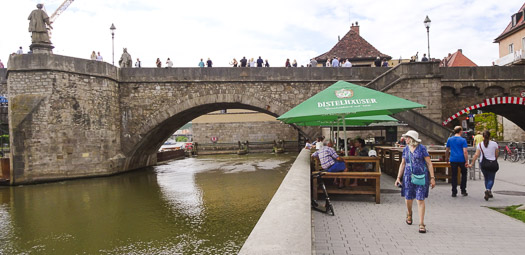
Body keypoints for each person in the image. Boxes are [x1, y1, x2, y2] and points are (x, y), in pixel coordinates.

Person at [394, 130, 435, 234]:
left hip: (421, 177)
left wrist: (432, 178)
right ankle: (409, 213)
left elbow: (429, 163)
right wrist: (398, 177)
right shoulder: (405, 149)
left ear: (412, 139)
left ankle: (421, 223)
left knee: (420, 200)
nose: (405, 139)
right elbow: (403, 164)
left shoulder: (422, 149)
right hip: (408, 177)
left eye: (407, 137)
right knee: (408, 198)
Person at [469, 131, 499, 201]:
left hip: (483, 163)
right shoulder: (494, 144)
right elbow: (496, 154)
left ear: (483, 137)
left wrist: (472, 163)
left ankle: (488, 191)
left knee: (486, 178)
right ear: (490, 136)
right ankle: (488, 190)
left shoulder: (480, 145)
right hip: (492, 163)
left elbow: (476, 155)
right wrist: (494, 160)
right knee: (491, 178)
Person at [446, 126, 469, 197]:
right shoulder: (463, 140)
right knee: (464, 174)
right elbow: (465, 151)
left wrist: (447, 157)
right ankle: (463, 190)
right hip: (461, 159)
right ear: (460, 131)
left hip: (453, 159)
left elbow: (447, 150)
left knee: (454, 175)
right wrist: (466, 160)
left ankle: (454, 191)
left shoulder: (450, 139)